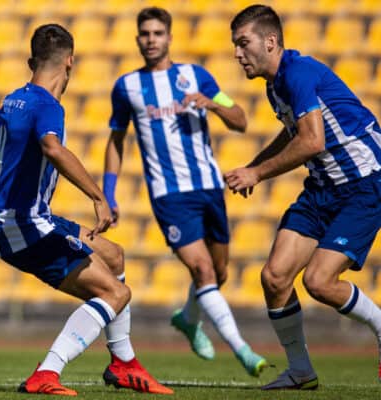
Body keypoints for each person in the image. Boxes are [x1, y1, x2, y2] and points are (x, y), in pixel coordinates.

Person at [0, 23, 173, 396]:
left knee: (114, 256)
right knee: (115, 294)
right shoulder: (48, 106)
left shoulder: (14, 99)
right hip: (21, 225)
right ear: (70, 61)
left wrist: (12, 165)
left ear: (31, 61)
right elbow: (52, 147)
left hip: (25, 218)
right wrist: (98, 196)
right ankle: (46, 373)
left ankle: (124, 364)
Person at [103, 6, 267, 377]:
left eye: (157, 33)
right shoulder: (126, 87)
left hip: (209, 187)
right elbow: (116, 140)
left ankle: (189, 319)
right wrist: (109, 194)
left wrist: (212, 103)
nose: (151, 40)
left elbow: (240, 117)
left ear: (169, 38)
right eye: (145, 34)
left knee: (219, 272)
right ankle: (243, 351)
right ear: (137, 39)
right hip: (168, 195)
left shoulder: (196, 77)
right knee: (202, 267)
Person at [227, 4, 381, 390]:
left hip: (362, 185)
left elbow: (312, 140)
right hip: (322, 189)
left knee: (319, 281)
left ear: (270, 41)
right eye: (234, 45)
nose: (236, 54)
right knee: (275, 277)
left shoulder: (297, 73)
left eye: (243, 44)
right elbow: (296, 131)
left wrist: (258, 172)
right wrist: (256, 165)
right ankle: (300, 371)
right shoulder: (275, 84)